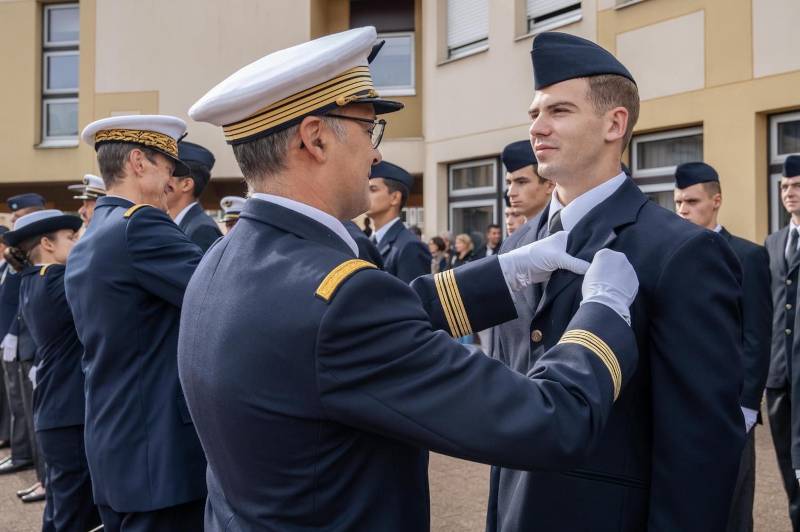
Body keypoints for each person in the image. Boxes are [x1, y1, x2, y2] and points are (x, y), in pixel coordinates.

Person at [182, 26, 641, 531]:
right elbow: (551, 422)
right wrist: (603, 309)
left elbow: (356, 326)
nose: (376, 154)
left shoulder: (221, 259)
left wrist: (505, 271)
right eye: (369, 129)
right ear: (315, 138)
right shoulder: (341, 300)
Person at [485, 32, 744, 532]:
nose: (537, 127)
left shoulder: (680, 251)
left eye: (559, 111)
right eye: (534, 113)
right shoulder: (516, 249)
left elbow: (700, 445)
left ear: (614, 123)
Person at [64, 115, 206, 531]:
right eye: (168, 169)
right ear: (139, 162)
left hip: (118, 447)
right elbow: (218, 293)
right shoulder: (140, 224)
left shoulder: (93, 235)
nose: (171, 183)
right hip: (159, 456)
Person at [674, 161, 771, 532]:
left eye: (692, 202)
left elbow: (757, 337)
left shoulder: (748, 256)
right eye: (678, 202)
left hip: (729, 407)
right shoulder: (670, 254)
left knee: (732, 508)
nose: (682, 210)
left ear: (716, 201)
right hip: (680, 403)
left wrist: (746, 408)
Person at [5, 209, 100, 531]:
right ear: (47, 244)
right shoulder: (58, 282)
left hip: (56, 411)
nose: (77, 243)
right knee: (75, 514)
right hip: (69, 412)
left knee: (61, 510)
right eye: (71, 238)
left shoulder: (32, 279)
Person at [765, 154, 800, 531]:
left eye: (797, 185)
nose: (789, 192)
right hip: (778, 379)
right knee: (789, 469)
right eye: (785, 186)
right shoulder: (773, 242)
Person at [0, 194, 44, 481]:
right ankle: (23, 454)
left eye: (18, 217)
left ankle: (39, 472)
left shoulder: (35, 258)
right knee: (21, 405)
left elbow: (24, 304)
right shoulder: (18, 258)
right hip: (17, 341)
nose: (13, 222)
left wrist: (14, 334)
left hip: (32, 343)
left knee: (32, 409)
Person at [366, 161, 431, 282]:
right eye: (365, 189)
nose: (365, 194)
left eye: (373, 189)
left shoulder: (410, 246)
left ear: (395, 197)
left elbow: (413, 293)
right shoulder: (368, 241)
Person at [166, 141, 223, 252]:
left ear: (186, 184)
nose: (160, 181)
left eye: (169, 173)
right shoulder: (186, 224)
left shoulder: (202, 230)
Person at [500, 140, 553, 253]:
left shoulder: (560, 232)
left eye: (521, 182)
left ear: (549, 185)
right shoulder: (511, 241)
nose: (510, 192)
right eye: (509, 183)